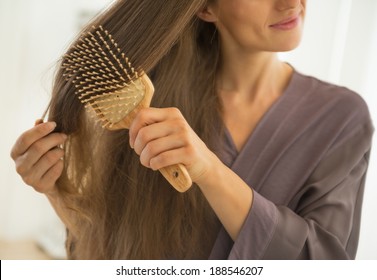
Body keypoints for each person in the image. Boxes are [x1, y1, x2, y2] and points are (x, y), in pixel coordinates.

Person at [10, 0, 373, 259]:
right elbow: (111, 251)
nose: (291, 3)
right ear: (205, 8)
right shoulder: (154, 106)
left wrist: (210, 171)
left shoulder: (341, 117)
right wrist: (56, 191)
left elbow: (326, 263)